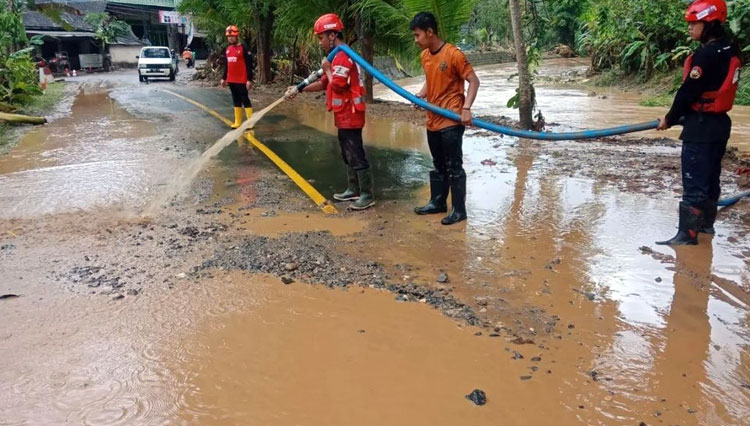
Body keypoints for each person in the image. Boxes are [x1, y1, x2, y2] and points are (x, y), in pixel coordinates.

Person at [656, 0, 740, 245]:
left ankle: (686, 236)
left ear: (710, 24)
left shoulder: (706, 54)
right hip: (720, 125)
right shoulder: (731, 48)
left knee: (694, 182)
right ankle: (706, 228)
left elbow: (688, 92)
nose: (690, 28)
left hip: (700, 127)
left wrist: (669, 118)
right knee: (711, 178)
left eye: (695, 23)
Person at [284, 13, 374, 210]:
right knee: (347, 152)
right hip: (343, 114)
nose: (319, 42)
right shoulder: (336, 57)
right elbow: (325, 83)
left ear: (332, 35)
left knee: (355, 152)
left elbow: (339, 85)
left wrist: (326, 69)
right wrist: (298, 89)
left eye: (321, 37)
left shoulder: (343, 56)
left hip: (351, 114)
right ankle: (353, 189)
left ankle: (366, 194)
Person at [410, 12, 480, 225]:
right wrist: (422, 94)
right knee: (438, 164)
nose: (416, 40)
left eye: (418, 35)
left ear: (430, 32)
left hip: (451, 120)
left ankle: (459, 210)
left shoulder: (453, 55)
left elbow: (474, 81)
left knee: (453, 166)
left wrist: (466, 108)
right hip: (432, 120)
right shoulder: (425, 56)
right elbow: (431, 79)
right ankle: (438, 202)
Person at [220, 25, 254, 129]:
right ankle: (237, 122)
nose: (230, 38)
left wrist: (249, 79)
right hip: (231, 79)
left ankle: (250, 122)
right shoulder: (228, 49)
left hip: (241, 79)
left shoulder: (243, 48)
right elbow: (227, 65)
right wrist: (224, 78)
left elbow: (249, 64)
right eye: (228, 36)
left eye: (232, 36)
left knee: (245, 99)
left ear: (237, 36)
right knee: (236, 100)